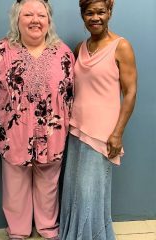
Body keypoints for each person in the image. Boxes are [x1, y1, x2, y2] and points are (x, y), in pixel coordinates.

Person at [0, 0, 74, 239]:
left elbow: (71, 94)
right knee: (15, 186)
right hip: (12, 133)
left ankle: (47, 227)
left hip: (52, 133)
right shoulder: (0, 51)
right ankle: (18, 231)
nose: (35, 20)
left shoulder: (63, 53)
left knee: (49, 184)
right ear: (17, 19)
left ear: (49, 20)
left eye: (41, 15)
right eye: (28, 14)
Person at [60, 0, 137, 239]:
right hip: (76, 130)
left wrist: (118, 133)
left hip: (102, 134)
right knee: (74, 189)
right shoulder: (79, 48)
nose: (95, 17)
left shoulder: (121, 46)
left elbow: (131, 92)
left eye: (101, 12)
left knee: (90, 192)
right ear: (83, 16)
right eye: (90, 12)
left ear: (110, 13)